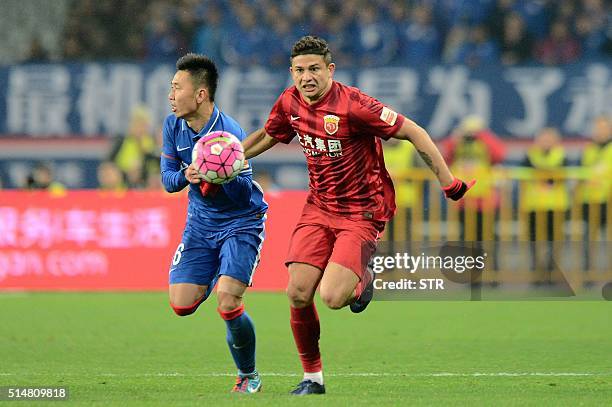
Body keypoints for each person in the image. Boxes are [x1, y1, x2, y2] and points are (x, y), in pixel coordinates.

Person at [242, 36, 473, 395]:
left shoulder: (354, 105)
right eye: (300, 71)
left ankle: (363, 279)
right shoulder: (289, 102)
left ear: (330, 70)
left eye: (315, 69)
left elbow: (414, 131)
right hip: (318, 208)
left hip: (361, 213)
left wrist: (448, 181)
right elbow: (267, 136)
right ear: (291, 73)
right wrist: (226, 160)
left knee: (333, 298)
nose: (307, 77)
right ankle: (313, 379)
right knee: (298, 292)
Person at [161, 53, 268, 393]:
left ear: (201, 94)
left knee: (228, 301)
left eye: (177, 88)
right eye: (171, 87)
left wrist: (222, 173)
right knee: (181, 305)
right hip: (200, 225)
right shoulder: (172, 125)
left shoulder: (229, 133)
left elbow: (240, 196)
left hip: (241, 221)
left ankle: (249, 376)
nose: (171, 95)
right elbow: (167, 180)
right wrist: (186, 174)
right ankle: (214, 275)